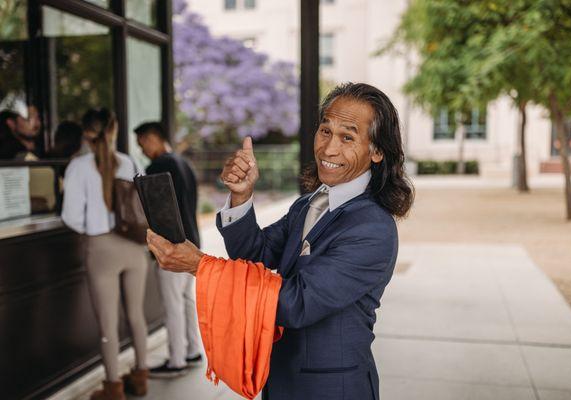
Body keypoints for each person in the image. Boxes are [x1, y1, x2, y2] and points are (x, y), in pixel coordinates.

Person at [146, 82, 414, 400]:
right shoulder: (309, 204)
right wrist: (242, 196)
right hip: (282, 380)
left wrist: (200, 266)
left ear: (377, 151)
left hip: (331, 389)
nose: (329, 149)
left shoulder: (372, 228)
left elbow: (294, 303)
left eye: (348, 137)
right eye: (325, 131)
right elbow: (255, 254)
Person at [62, 108, 149, 400]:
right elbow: (146, 202)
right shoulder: (129, 161)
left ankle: (113, 388)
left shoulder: (78, 166)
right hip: (135, 246)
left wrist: (94, 225)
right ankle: (140, 378)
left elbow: (71, 217)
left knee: (107, 324)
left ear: (86, 133)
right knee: (136, 315)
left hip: (101, 249)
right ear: (112, 131)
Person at [133, 121, 203, 378]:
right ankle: (193, 350)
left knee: (172, 304)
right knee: (186, 300)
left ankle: (176, 361)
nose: (142, 151)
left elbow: (155, 213)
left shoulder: (158, 167)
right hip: (192, 241)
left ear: (153, 138)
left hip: (172, 246)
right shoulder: (184, 163)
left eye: (143, 144)